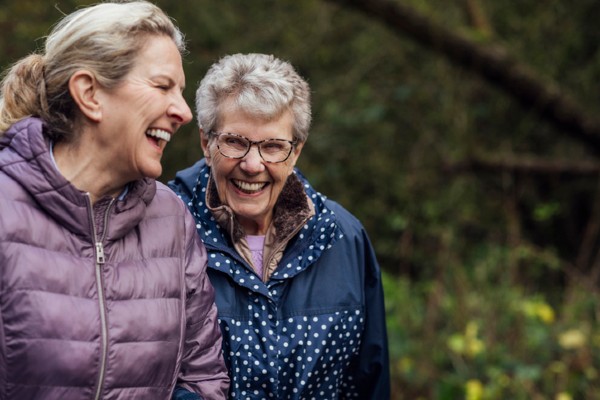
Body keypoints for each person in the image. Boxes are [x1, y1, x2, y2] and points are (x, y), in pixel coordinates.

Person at [0, 2, 229, 399]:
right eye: (163, 86)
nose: (184, 112)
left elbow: (202, 377)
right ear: (90, 93)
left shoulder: (170, 217)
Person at [169, 53, 390, 399]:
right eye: (235, 142)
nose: (253, 165)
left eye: (273, 146)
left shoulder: (344, 237)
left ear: (296, 151)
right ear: (206, 142)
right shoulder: (162, 231)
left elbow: (368, 381)